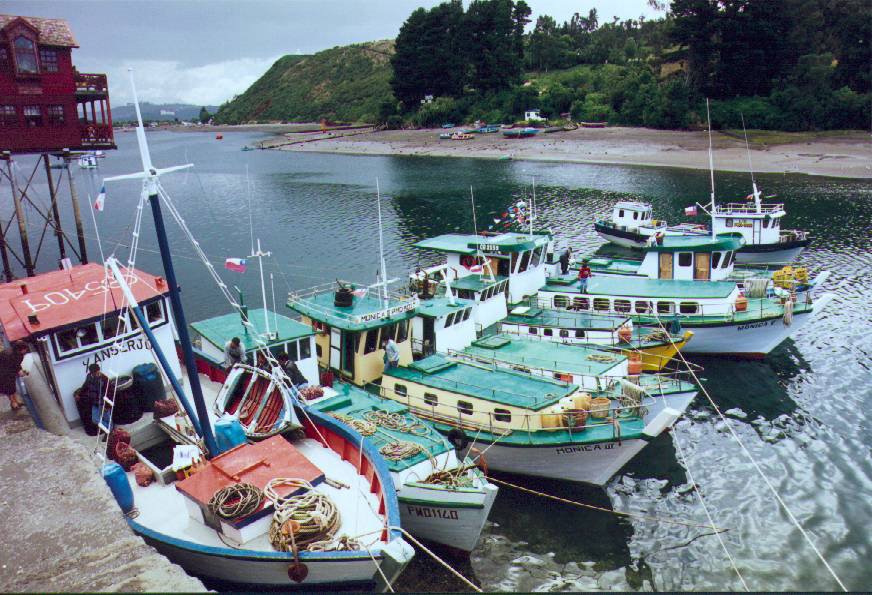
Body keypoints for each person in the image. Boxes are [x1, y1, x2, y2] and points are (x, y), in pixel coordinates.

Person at [0, 342, 29, 411]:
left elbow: (17, 365)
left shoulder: (15, 353)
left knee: (12, 386)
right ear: (21, 349)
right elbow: (16, 366)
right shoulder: (12, 355)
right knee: (9, 388)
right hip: (3, 373)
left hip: (8, 371)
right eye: (25, 349)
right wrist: (22, 372)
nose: (26, 351)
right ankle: (13, 403)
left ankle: (16, 401)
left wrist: (20, 370)